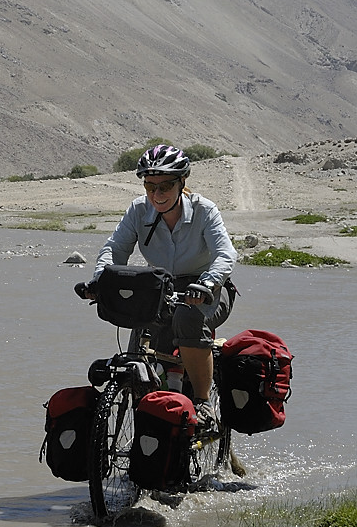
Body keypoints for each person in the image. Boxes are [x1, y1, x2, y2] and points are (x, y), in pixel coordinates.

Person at [79, 144, 238, 429]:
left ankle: (203, 403)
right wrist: (99, 280)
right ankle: (148, 400)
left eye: (165, 186)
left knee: (188, 317)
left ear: (182, 183)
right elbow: (115, 249)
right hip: (161, 286)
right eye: (150, 186)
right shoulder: (138, 210)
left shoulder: (204, 210)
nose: (157, 194)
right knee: (138, 321)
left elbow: (225, 254)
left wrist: (207, 284)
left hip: (208, 286)